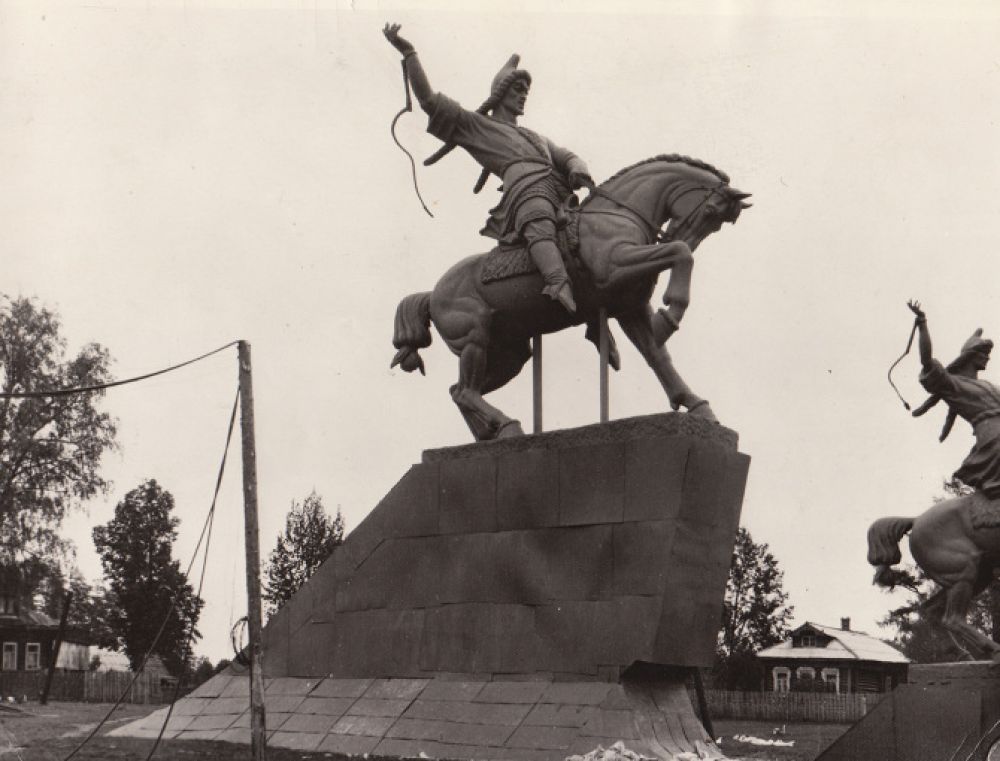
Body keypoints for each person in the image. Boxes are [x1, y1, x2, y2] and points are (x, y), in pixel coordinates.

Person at [383, 23, 593, 314]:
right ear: (502, 93)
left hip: (559, 190)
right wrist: (409, 53)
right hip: (526, 193)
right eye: (518, 89)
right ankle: (557, 282)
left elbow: (563, 153)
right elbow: (429, 101)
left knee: (591, 231)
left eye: (526, 91)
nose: (523, 96)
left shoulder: (535, 137)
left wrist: (576, 166)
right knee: (538, 217)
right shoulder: (477, 126)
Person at [908, 300, 1000, 498]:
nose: (988, 358)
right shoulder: (953, 384)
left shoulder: (990, 386)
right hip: (994, 441)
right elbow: (927, 361)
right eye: (984, 353)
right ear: (972, 355)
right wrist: (923, 323)